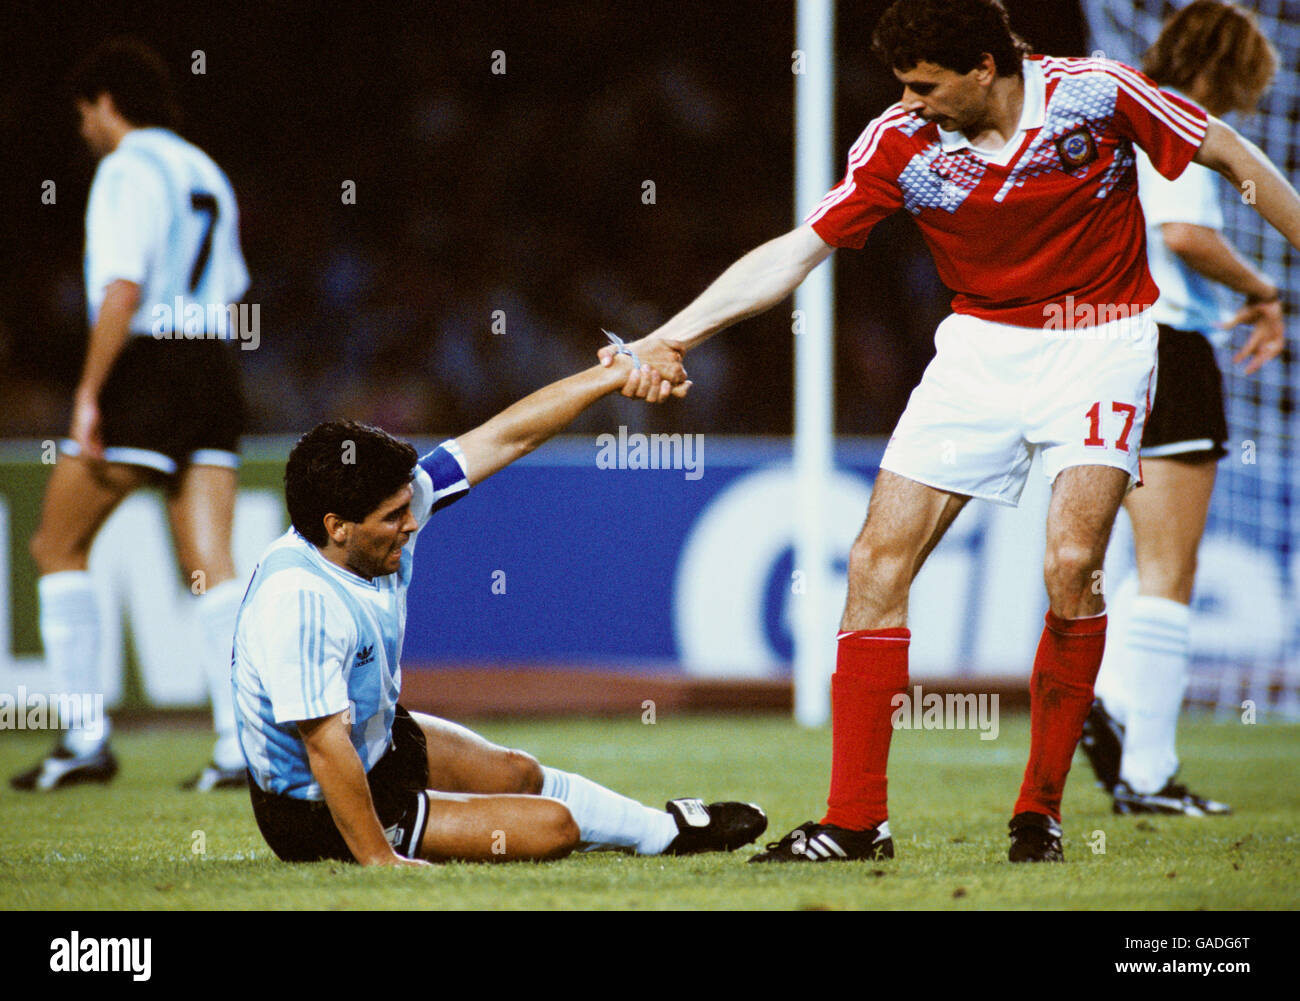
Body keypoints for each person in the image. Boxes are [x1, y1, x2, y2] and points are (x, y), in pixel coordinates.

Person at [599, 0, 1300, 862]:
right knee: (873, 561)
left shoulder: (1096, 95)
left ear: (983, 65)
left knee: (1072, 565)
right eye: (902, 86)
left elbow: (1226, 151)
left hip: (1103, 341)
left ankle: (1039, 809)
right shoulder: (901, 144)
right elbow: (797, 250)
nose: (910, 102)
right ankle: (856, 821)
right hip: (978, 352)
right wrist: (675, 334)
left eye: (925, 85)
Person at [234, 356, 764, 865]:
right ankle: (386, 838)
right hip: (317, 806)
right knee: (554, 827)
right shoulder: (299, 600)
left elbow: (507, 435)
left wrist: (611, 377)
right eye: (394, 517)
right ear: (336, 526)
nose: (413, 523)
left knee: (519, 773)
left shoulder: (366, 518)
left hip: (372, 738)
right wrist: (379, 858)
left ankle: (665, 832)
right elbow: (325, 747)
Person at [11, 39, 254, 792]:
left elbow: (122, 286)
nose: (83, 127)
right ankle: (241, 744)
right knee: (212, 565)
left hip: (150, 364)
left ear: (108, 102)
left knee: (56, 542)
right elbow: (236, 286)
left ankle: (84, 737)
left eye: (85, 111)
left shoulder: (126, 168)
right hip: (213, 361)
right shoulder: (203, 168)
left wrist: (90, 391)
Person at [1081, 1, 1282, 817]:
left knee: (1136, 556)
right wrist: (1264, 288)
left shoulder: (1113, 122)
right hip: (1166, 352)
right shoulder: (1180, 127)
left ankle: (1109, 701)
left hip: (1104, 345)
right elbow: (1187, 235)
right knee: (1172, 566)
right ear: (1223, 64)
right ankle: (1148, 770)